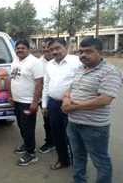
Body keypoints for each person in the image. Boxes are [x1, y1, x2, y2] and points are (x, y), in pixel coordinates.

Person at [62, 38, 123, 183]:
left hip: (94, 127)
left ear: (100, 53)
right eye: (81, 52)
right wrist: (65, 99)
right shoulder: (80, 69)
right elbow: (71, 88)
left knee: (100, 160)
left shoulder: (110, 71)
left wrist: (74, 106)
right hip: (73, 123)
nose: (83, 55)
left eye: (89, 51)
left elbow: (105, 99)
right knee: (77, 156)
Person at [42, 38, 81, 170]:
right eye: (51, 49)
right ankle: (63, 160)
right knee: (57, 135)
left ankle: (78, 167)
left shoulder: (77, 61)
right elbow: (46, 85)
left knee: (72, 137)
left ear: (66, 47)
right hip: (53, 105)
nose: (54, 51)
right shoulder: (49, 64)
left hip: (71, 105)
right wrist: (45, 105)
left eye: (57, 48)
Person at [8, 40, 44, 166]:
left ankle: (31, 153)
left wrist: (35, 102)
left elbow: (40, 84)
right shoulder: (15, 61)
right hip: (17, 101)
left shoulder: (35, 63)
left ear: (29, 49)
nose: (20, 50)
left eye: (23, 48)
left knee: (28, 127)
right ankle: (26, 144)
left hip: (28, 102)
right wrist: (10, 96)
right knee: (21, 125)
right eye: (17, 48)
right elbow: (12, 79)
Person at [38, 37, 55, 154]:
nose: (45, 49)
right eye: (43, 47)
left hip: (62, 99)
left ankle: (66, 144)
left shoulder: (62, 61)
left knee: (63, 123)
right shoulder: (38, 63)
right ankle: (49, 142)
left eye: (48, 46)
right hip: (44, 99)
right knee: (48, 122)